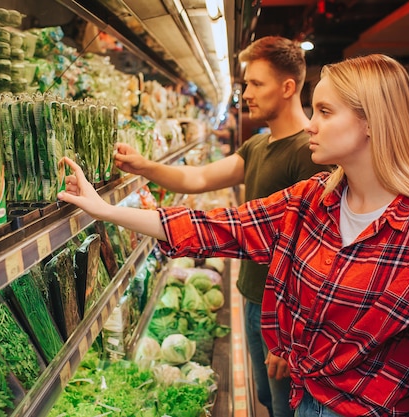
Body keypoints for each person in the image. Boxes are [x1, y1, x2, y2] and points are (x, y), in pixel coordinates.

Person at [58, 53, 409, 416]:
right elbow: (222, 226)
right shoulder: (313, 200)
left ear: (372, 121)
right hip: (303, 400)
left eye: (325, 112)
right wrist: (105, 210)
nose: (311, 125)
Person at [114, 35, 331, 417]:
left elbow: (314, 253)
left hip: (282, 311)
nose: (246, 92)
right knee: (266, 397)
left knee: (285, 407)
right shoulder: (258, 146)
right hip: (250, 293)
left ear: (288, 87)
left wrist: (287, 337)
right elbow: (198, 179)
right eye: (246, 83)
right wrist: (145, 166)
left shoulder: (308, 154)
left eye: (256, 83)